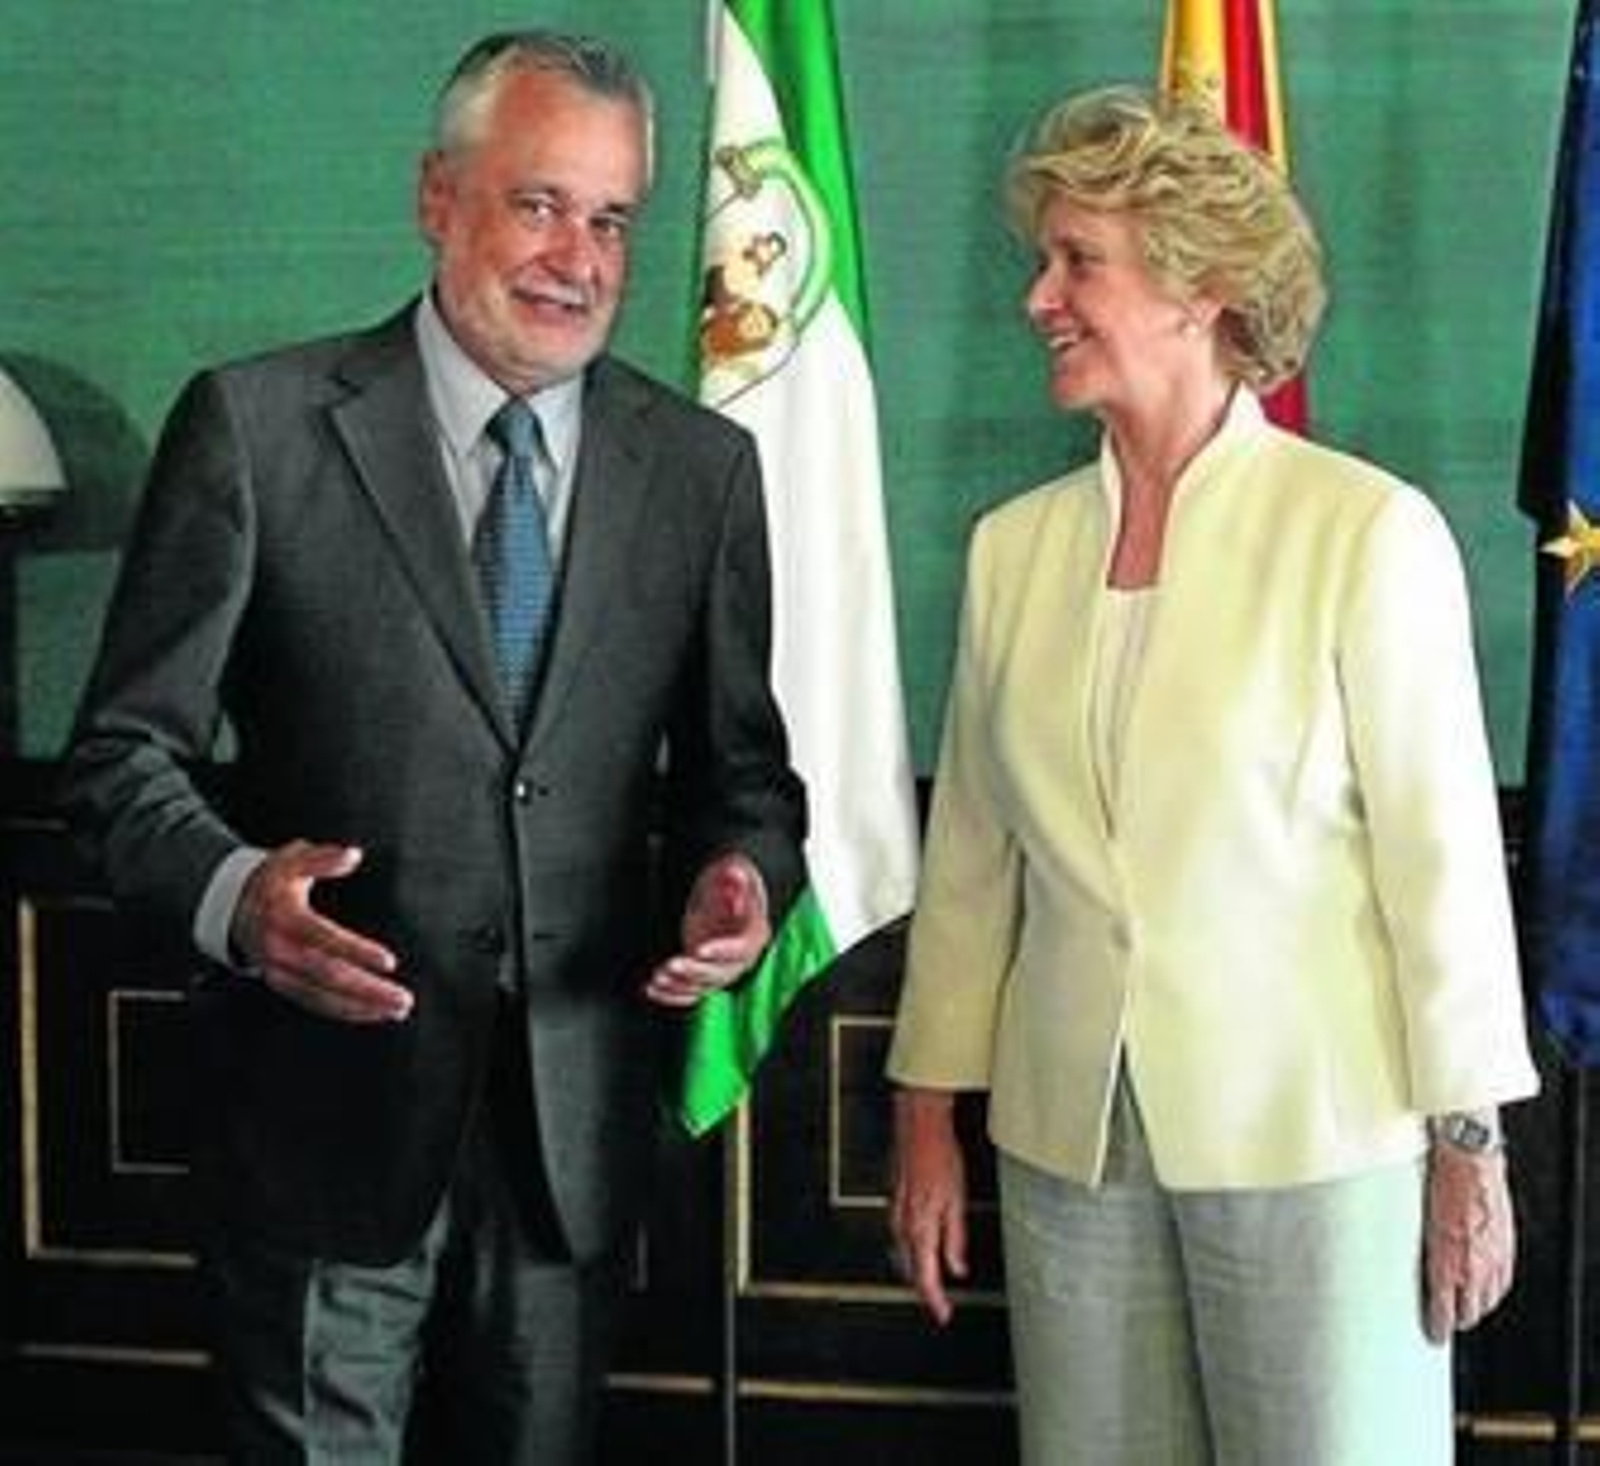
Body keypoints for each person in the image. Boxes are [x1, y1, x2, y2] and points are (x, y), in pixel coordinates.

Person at [63, 29, 805, 1466]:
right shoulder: (260, 428)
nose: (577, 258)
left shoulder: (700, 470)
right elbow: (120, 763)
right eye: (538, 204)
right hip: (319, 1126)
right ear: (436, 197)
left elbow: (745, 779)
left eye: (610, 219)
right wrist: (237, 899)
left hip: (572, 1147)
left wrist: (743, 877)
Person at [885, 85, 1538, 1465]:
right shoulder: (1014, 548)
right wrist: (925, 1120)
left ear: (1201, 290)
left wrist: (1468, 1152)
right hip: (1071, 1148)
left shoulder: (1362, 532)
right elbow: (972, 874)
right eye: (1041, 261)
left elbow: (1445, 872)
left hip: (1320, 1143)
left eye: (1080, 262)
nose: (1039, 299)